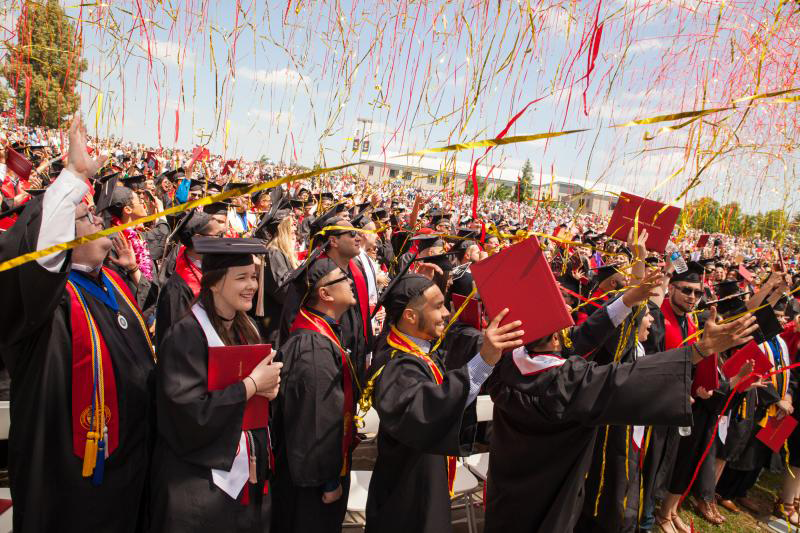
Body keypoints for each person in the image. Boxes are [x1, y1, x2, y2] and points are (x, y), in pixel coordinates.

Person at [483, 275, 758, 533]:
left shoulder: (505, 365)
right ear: (556, 337)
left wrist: (626, 301)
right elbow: (627, 379)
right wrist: (700, 350)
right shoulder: (569, 381)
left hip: (505, 487)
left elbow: (583, 336)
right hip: (550, 493)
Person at [0, 115, 156, 532]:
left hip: (127, 472)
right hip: (72, 486)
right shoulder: (44, 305)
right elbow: (40, 258)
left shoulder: (110, 281)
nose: (100, 220)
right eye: (87, 217)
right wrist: (71, 178)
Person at [364, 274, 525, 533]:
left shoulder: (413, 347)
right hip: (408, 489)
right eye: (438, 306)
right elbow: (429, 408)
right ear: (410, 317)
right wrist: (484, 360)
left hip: (423, 474)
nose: (447, 314)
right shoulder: (396, 365)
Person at [151, 236, 282, 532]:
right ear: (213, 282)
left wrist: (268, 391)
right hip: (199, 484)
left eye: (253, 277)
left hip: (243, 475)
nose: (252, 285)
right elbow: (188, 414)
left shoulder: (244, 327)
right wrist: (250, 385)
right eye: (241, 278)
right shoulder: (185, 335)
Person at [271, 254, 359, 532]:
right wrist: (329, 481)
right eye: (343, 279)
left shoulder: (321, 333)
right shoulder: (312, 347)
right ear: (325, 294)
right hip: (311, 484)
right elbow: (315, 422)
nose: (351, 281)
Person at [154, 209, 226, 342]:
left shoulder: (208, 270)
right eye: (218, 236)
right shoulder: (177, 288)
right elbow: (176, 340)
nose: (222, 241)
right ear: (198, 239)